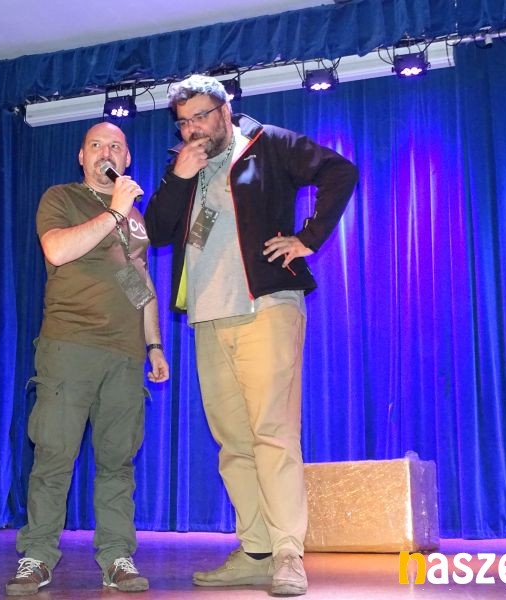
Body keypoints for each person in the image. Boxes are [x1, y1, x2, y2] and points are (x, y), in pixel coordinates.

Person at [144, 75, 358, 597]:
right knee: (234, 442)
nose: (192, 129)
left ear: (225, 110)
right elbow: (156, 231)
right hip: (207, 316)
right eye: (183, 122)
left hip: (266, 306)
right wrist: (178, 177)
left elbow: (339, 171)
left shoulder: (269, 144)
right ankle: (257, 550)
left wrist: (308, 238)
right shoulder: (184, 164)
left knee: (272, 433)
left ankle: (288, 552)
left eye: (200, 116)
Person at [6, 122, 169, 596]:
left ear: (127, 158)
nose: (106, 152)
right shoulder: (61, 198)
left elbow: (137, 282)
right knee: (54, 456)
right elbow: (57, 250)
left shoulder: (136, 219)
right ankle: (37, 556)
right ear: (82, 156)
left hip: (124, 355)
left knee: (118, 461)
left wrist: (154, 344)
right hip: (69, 347)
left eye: (115, 145)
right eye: (96, 145)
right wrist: (114, 211)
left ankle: (117, 557)